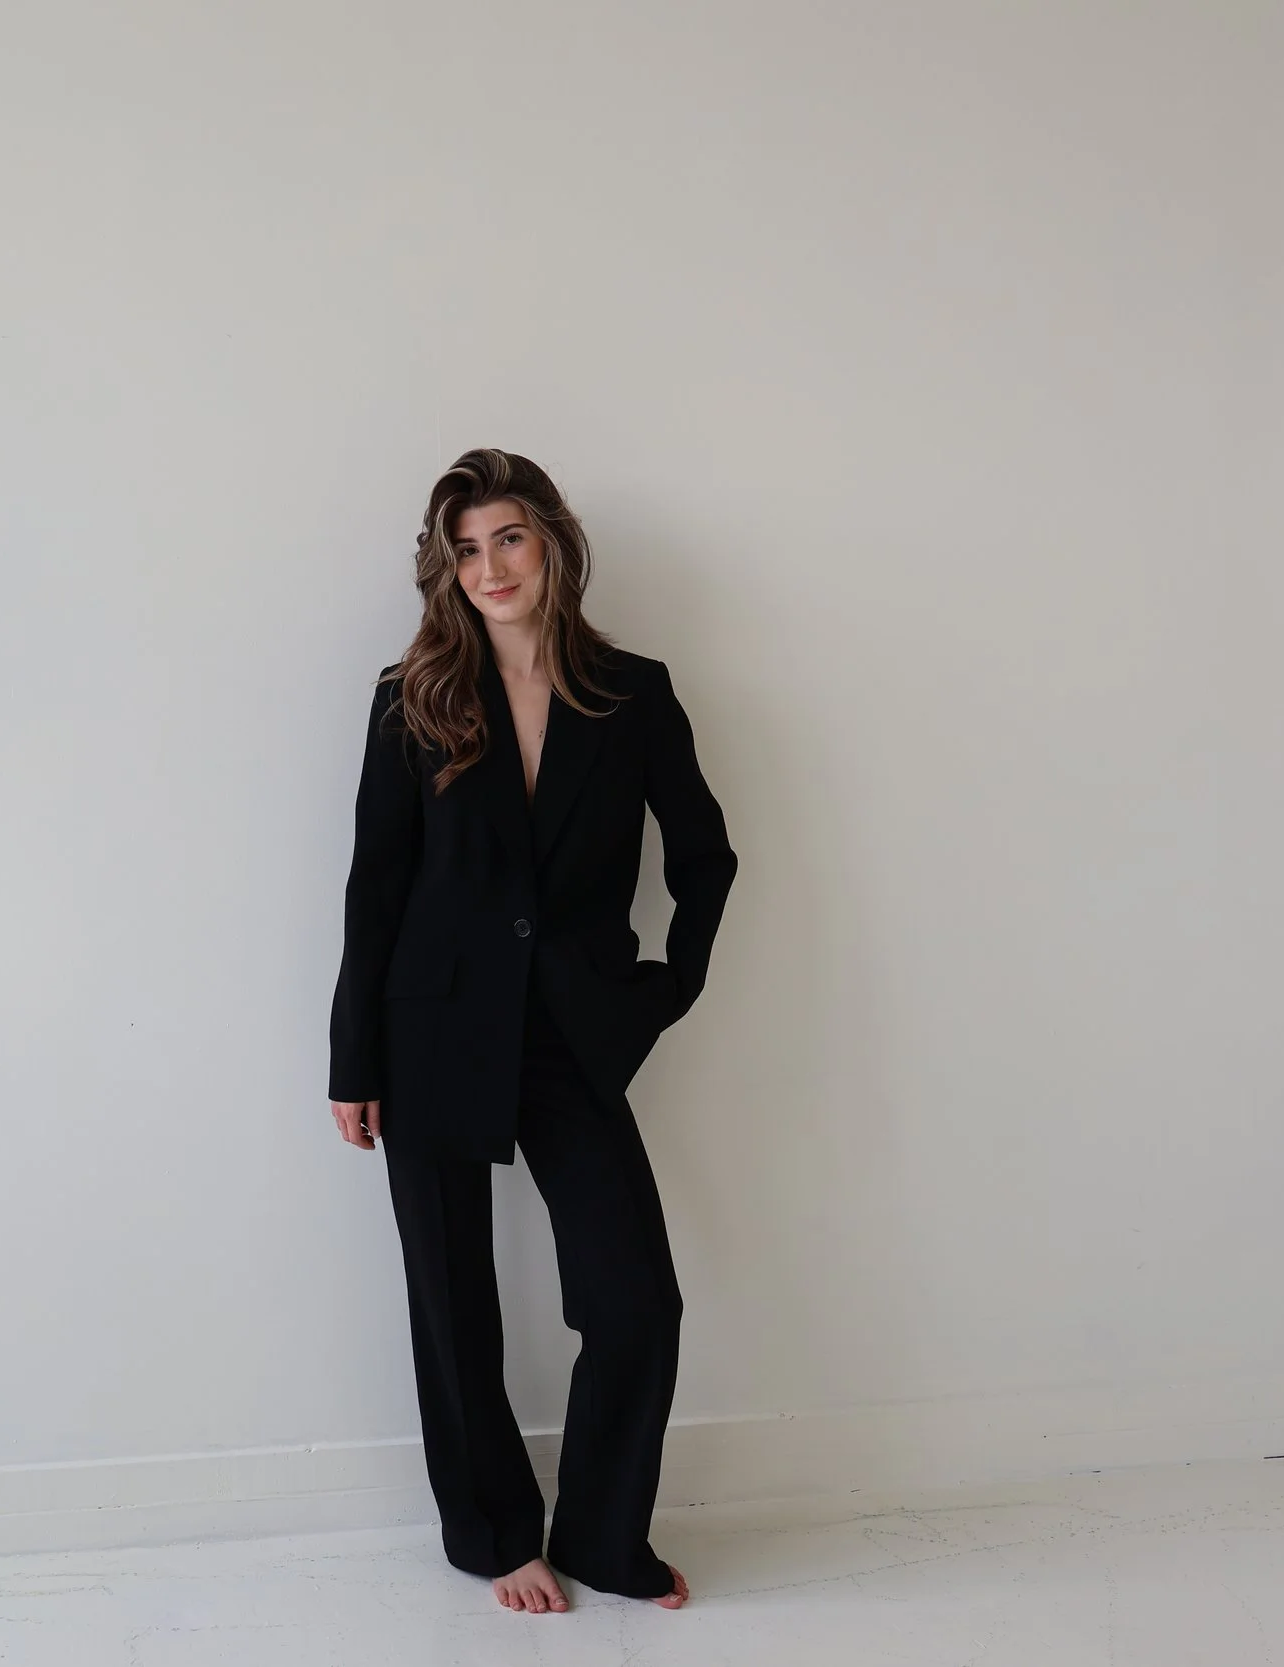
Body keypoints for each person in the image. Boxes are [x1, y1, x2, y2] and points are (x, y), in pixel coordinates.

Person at [327, 448, 738, 1616]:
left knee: (633, 1297)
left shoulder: (632, 692)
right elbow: (375, 888)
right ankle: (495, 1533)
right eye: (464, 548)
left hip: (569, 1030)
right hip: (429, 1030)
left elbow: (705, 855)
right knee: (451, 1298)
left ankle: (603, 1534)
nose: (489, 567)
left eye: (507, 537)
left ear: (551, 541)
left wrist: (659, 988)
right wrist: (353, 1060)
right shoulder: (411, 697)